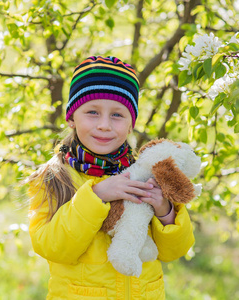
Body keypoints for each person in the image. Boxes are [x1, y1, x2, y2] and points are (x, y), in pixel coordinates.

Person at [27, 56, 194, 299]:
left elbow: (174, 250)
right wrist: (97, 196)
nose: (104, 125)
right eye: (92, 112)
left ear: (130, 124)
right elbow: (53, 247)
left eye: (117, 115)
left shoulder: (147, 173)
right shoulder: (54, 177)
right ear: (72, 118)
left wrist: (164, 209)